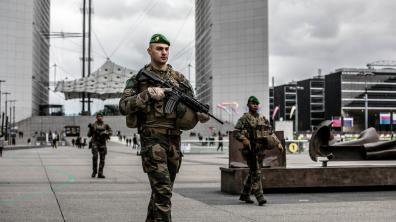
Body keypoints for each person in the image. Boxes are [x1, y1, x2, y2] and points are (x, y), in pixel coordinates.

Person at [119, 33, 210, 222]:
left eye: (167, 49)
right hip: (152, 140)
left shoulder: (180, 80)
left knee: (161, 192)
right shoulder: (139, 79)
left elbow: (193, 105)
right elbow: (123, 106)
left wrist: (201, 115)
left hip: (174, 141)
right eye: (159, 48)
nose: (164, 52)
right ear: (149, 50)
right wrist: (147, 95)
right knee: (163, 193)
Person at [234, 96, 283, 206]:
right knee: (256, 173)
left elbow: (270, 132)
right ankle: (260, 196)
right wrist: (243, 138)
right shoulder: (244, 118)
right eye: (253, 103)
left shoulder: (263, 118)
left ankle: (245, 194)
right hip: (250, 149)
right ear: (248, 105)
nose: (255, 105)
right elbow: (236, 132)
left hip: (261, 150)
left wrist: (278, 143)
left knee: (253, 173)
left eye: (257, 103)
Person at [87, 112, 112, 179]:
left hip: (102, 144)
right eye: (98, 116)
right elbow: (88, 135)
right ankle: (94, 171)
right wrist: (91, 129)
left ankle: (100, 173)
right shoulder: (93, 125)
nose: (99, 117)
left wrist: (105, 133)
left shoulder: (105, 125)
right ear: (96, 117)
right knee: (95, 157)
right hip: (95, 143)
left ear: (102, 117)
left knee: (102, 159)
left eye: (101, 116)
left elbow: (110, 132)